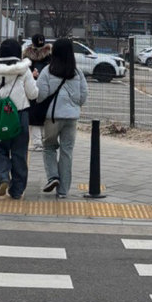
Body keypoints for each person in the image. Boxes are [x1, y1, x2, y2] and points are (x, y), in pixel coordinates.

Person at [0, 38, 38, 199]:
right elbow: (33, 93)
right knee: (19, 153)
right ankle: (17, 190)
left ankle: (2, 178)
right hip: (20, 116)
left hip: (1, 117)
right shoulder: (24, 70)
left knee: (0, 149)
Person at [34, 38, 89, 198]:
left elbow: (40, 95)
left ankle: (53, 177)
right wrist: (74, 104)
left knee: (49, 147)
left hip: (52, 118)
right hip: (71, 118)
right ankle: (63, 190)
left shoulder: (47, 71)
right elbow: (84, 95)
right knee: (67, 152)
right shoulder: (77, 72)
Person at [22, 34, 53, 151]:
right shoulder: (50, 56)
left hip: (32, 88)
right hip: (46, 90)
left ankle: (37, 142)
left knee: (34, 116)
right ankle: (43, 141)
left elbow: (23, 72)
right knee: (42, 116)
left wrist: (32, 75)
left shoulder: (27, 56)